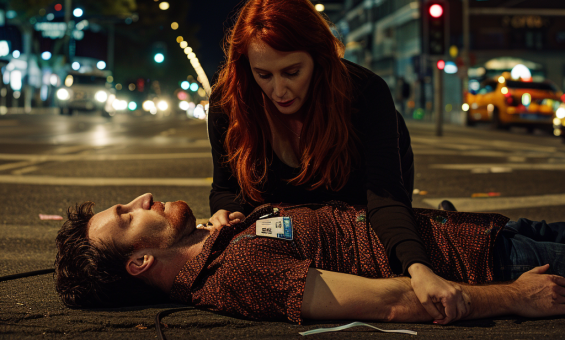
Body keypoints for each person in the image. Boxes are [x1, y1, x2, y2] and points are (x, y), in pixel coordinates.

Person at [207, 0, 449, 319]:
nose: (279, 90)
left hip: (360, 243)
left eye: (292, 72)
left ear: (319, 57)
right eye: (263, 74)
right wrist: (227, 214)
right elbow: (225, 190)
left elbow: (386, 196)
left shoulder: (364, 92)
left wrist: (419, 268)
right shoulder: (229, 103)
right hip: (285, 248)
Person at [55, 193, 565, 325]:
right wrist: (516, 297)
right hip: (500, 263)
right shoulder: (239, 273)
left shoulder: (218, 248)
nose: (142, 200)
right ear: (140, 263)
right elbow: (393, 302)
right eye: (126, 215)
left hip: (487, 231)